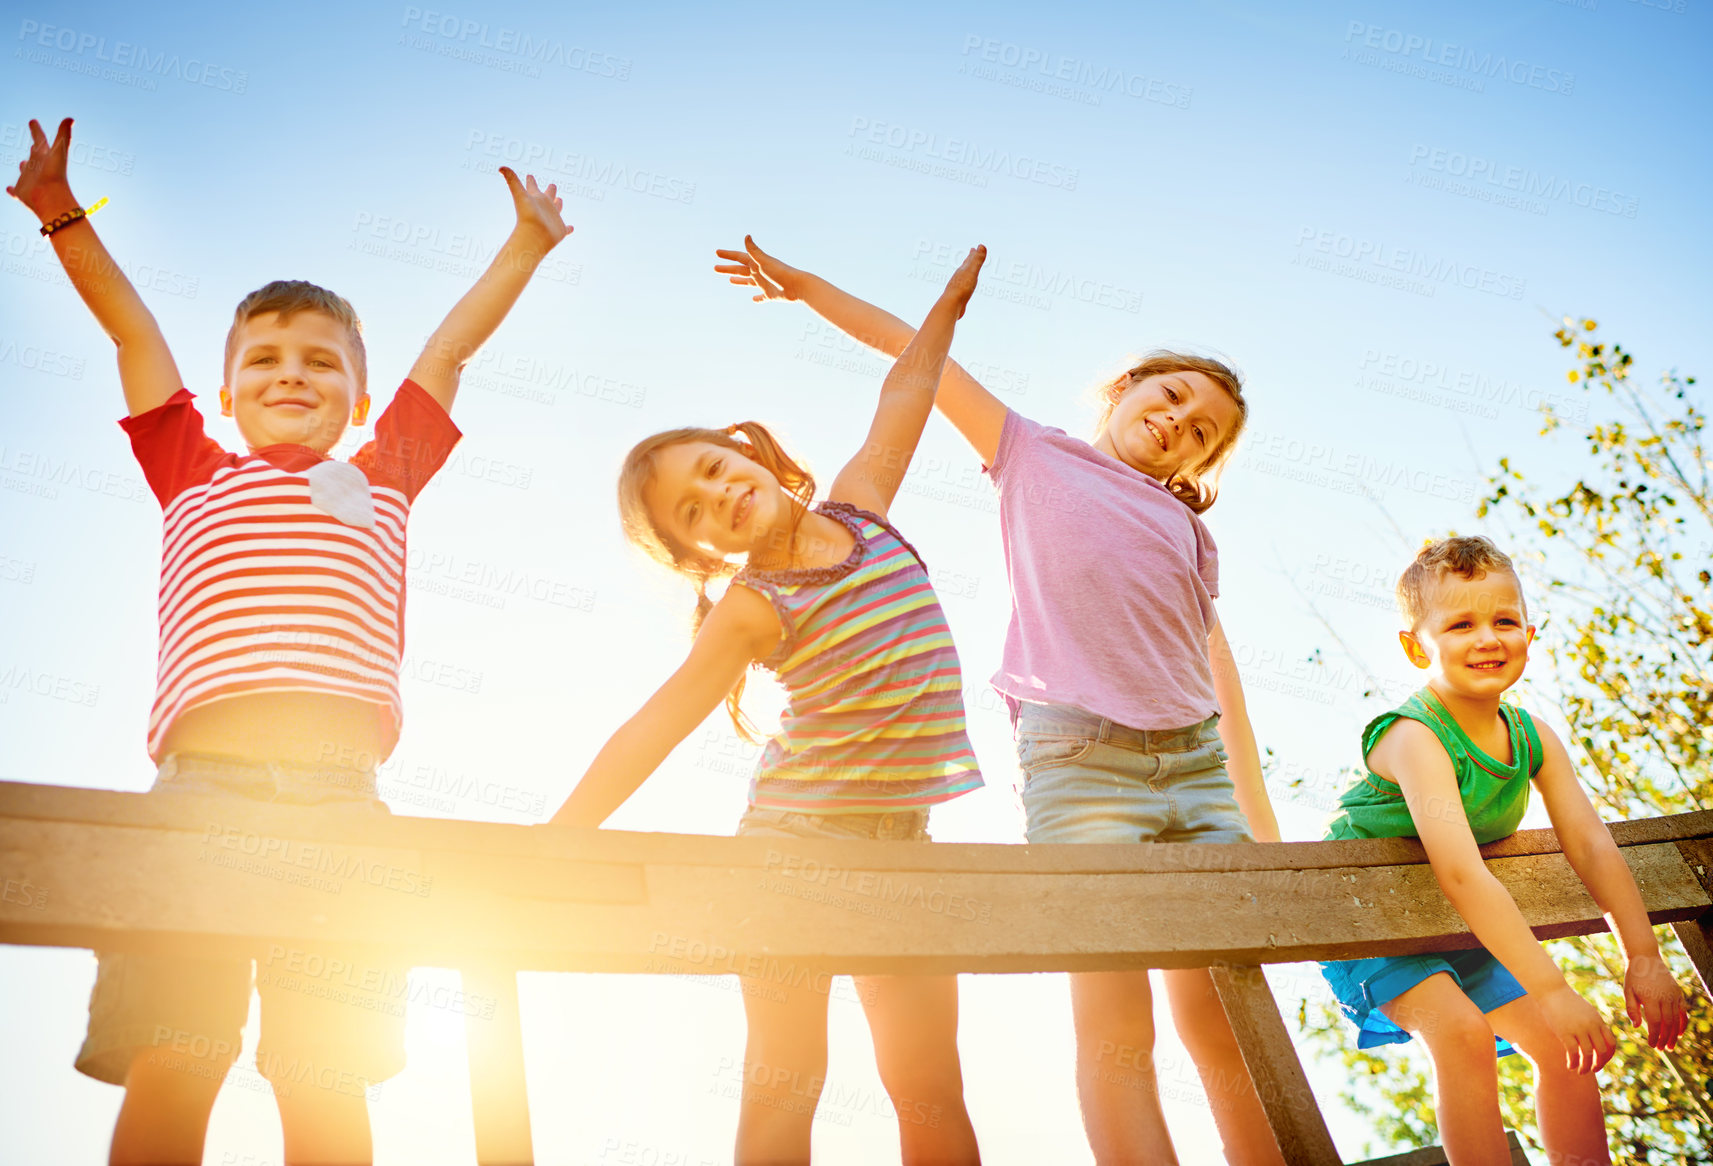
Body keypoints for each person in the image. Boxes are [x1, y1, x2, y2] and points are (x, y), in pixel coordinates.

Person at [7, 115, 571, 1166]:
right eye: (263, 358)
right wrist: (63, 218)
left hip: (339, 793)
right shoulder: (192, 466)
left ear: (359, 396)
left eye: (321, 361)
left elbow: (448, 349)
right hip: (199, 785)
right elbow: (134, 337)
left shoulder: (385, 471)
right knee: (177, 1049)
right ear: (226, 394)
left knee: (323, 1064)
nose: (292, 372)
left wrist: (526, 246)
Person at [711, 237, 1284, 1165]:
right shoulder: (1031, 453)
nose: (1182, 422)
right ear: (1127, 386)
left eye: (1205, 431)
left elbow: (1219, 682)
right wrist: (809, 287)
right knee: (1114, 1020)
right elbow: (917, 360)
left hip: (1193, 767)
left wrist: (1250, 817)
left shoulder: (1183, 526)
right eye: (1173, 396)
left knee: (1224, 1008)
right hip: (1083, 763)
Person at [549, 247, 989, 1164]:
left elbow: (905, 395)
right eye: (693, 511)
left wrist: (938, 306)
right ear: (698, 554)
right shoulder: (755, 606)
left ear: (748, 455)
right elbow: (657, 722)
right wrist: (563, 835)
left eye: (713, 468)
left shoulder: (862, 511)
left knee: (930, 1087)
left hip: (903, 849)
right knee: (788, 1077)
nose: (718, 495)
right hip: (793, 852)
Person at [1318, 535, 1687, 1165]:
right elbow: (1462, 874)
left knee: (1564, 1045)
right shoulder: (1415, 737)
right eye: (1461, 624)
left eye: (1504, 620)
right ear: (1416, 646)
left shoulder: (1531, 736)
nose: (1488, 638)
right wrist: (1550, 988)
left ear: (1530, 633)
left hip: (1461, 927)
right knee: (1462, 1035)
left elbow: (1592, 845)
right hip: (1373, 920)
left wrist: (1644, 956)